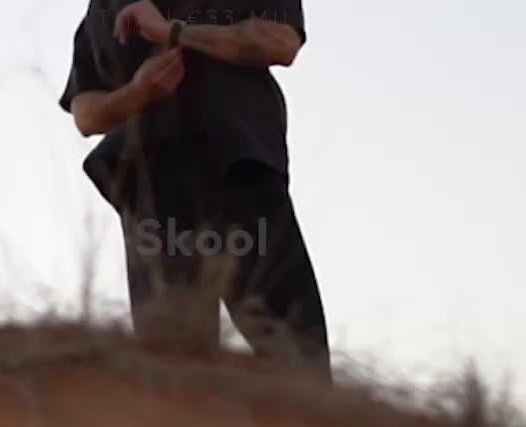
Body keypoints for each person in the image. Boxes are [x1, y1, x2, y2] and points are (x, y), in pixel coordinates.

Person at [60, 0, 330, 376]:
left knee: (295, 351)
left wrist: (174, 32)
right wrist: (137, 91)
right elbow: (86, 114)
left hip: (240, 175)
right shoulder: (104, 8)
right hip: (154, 195)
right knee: (172, 362)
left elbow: (281, 42)